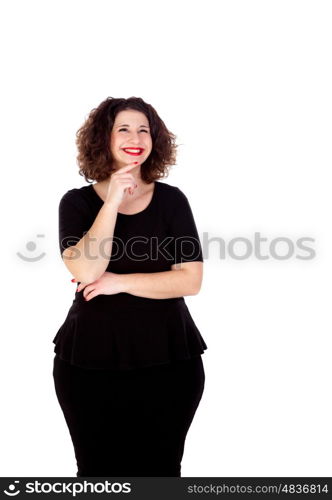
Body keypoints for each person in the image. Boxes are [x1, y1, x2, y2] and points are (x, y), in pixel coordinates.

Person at [52, 96, 208, 477]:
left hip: (170, 360)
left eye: (144, 129)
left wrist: (119, 283)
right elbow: (87, 270)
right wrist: (112, 201)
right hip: (88, 361)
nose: (135, 136)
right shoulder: (75, 203)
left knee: (161, 472)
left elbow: (191, 280)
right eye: (124, 128)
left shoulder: (172, 201)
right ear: (104, 138)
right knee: (96, 473)